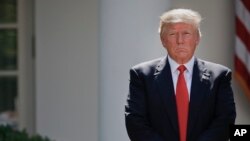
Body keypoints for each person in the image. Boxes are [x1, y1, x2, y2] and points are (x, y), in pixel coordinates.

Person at [125, 9, 236, 141]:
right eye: (172, 34)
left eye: (186, 33)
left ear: (197, 38)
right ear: (163, 40)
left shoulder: (220, 76)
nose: (180, 41)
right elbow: (135, 122)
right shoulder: (141, 75)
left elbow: (225, 121)